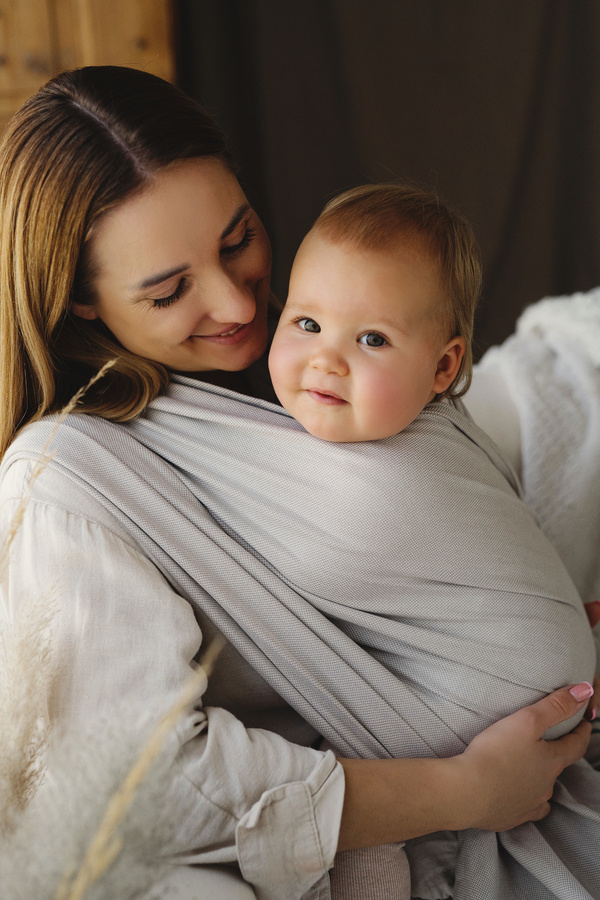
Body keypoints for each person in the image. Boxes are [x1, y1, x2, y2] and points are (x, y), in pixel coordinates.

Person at [0, 66, 595, 900]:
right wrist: (463, 790)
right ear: (82, 304)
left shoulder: (303, 350)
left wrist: (514, 605)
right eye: (170, 290)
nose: (237, 302)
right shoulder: (73, 484)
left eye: (238, 236)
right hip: (442, 805)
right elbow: (151, 780)